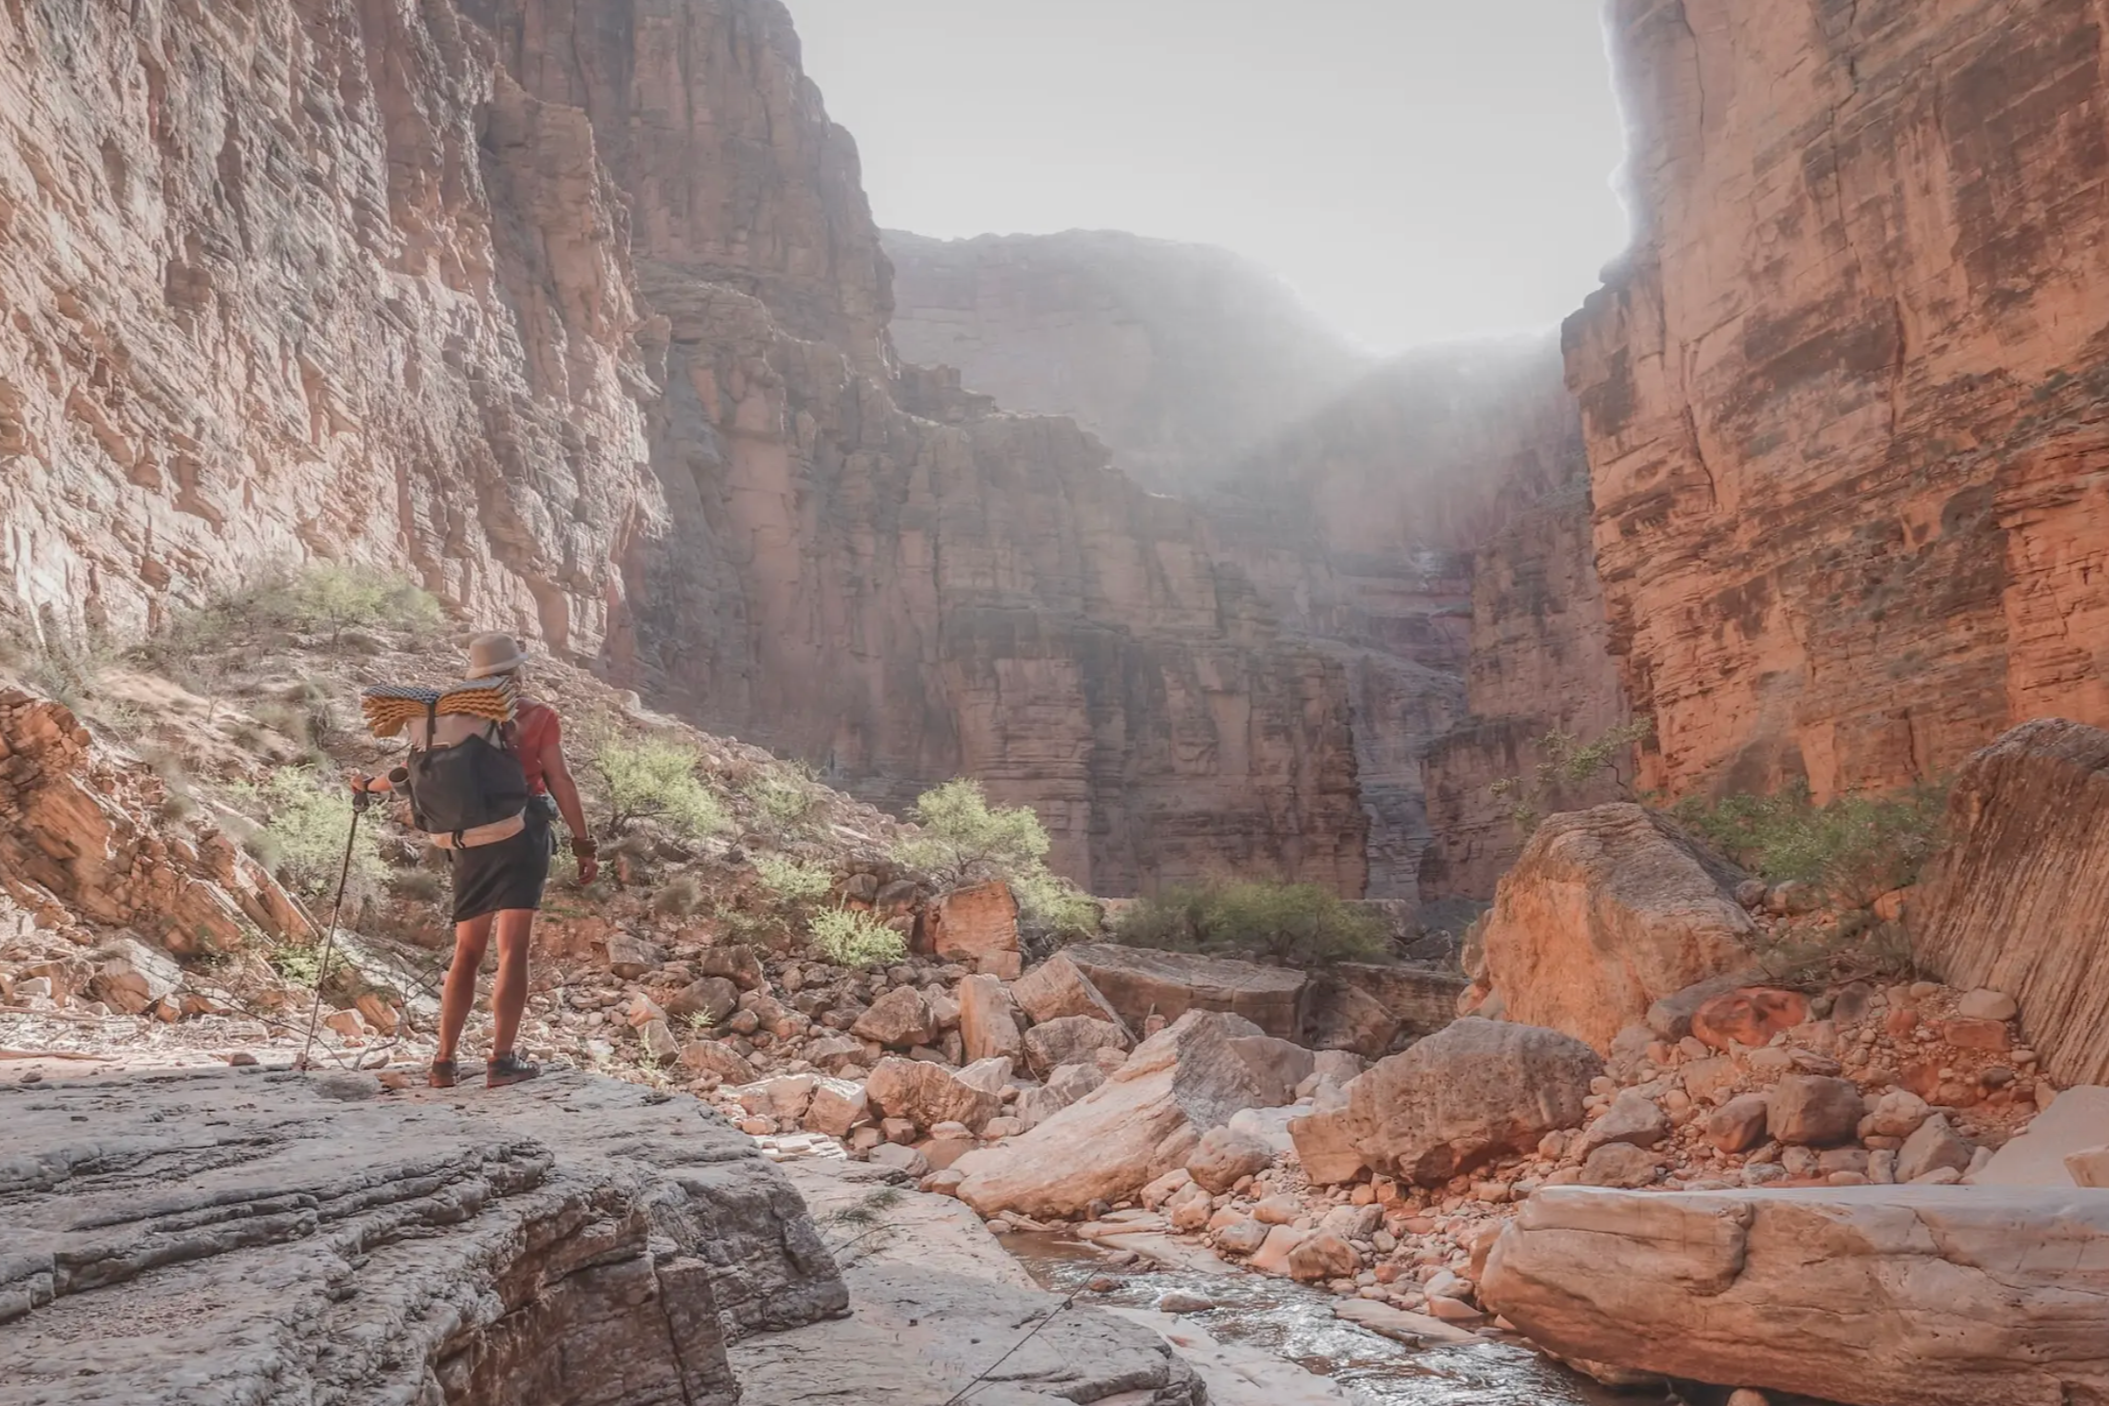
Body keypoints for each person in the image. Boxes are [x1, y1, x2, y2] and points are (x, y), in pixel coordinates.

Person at [353, 633, 598, 1088]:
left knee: (467, 951)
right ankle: (501, 1061)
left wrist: (367, 786)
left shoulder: (449, 715)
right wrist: (584, 844)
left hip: (465, 841)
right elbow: (559, 779)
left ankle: (443, 1062)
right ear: (516, 671)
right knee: (512, 951)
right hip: (520, 834)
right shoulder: (537, 715)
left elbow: (408, 773)